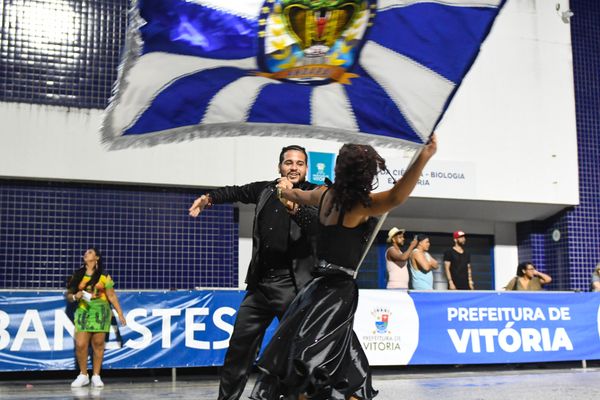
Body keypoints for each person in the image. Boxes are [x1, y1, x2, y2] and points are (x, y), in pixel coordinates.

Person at [250, 135, 437, 400]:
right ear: (365, 173)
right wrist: (424, 157)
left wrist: (283, 189)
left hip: (315, 287)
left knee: (335, 357)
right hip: (338, 290)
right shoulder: (360, 205)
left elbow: (294, 193)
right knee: (316, 360)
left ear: (339, 169)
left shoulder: (324, 194)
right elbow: (396, 196)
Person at [188, 145, 318, 400]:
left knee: (298, 351)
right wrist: (209, 198)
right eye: (288, 162)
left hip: (292, 287)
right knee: (239, 348)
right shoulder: (265, 190)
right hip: (260, 285)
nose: (293, 167)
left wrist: (293, 198)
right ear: (279, 166)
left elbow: (315, 224)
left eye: (299, 163)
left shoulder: (313, 193)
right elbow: (236, 191)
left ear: (306, 168)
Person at [66, 247, 126, 388]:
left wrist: (120, 313)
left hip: (101, 312)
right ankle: (83, 375)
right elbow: (69, 295)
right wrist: (75, 296)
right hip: (83, 312)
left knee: (98, 344)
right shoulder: (78, 274)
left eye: (90, 252)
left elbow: (111, 295)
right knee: (81, 345)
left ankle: (96, 376)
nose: (86, 253)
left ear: (97, 257)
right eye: (85, 252)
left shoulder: (104, 276)